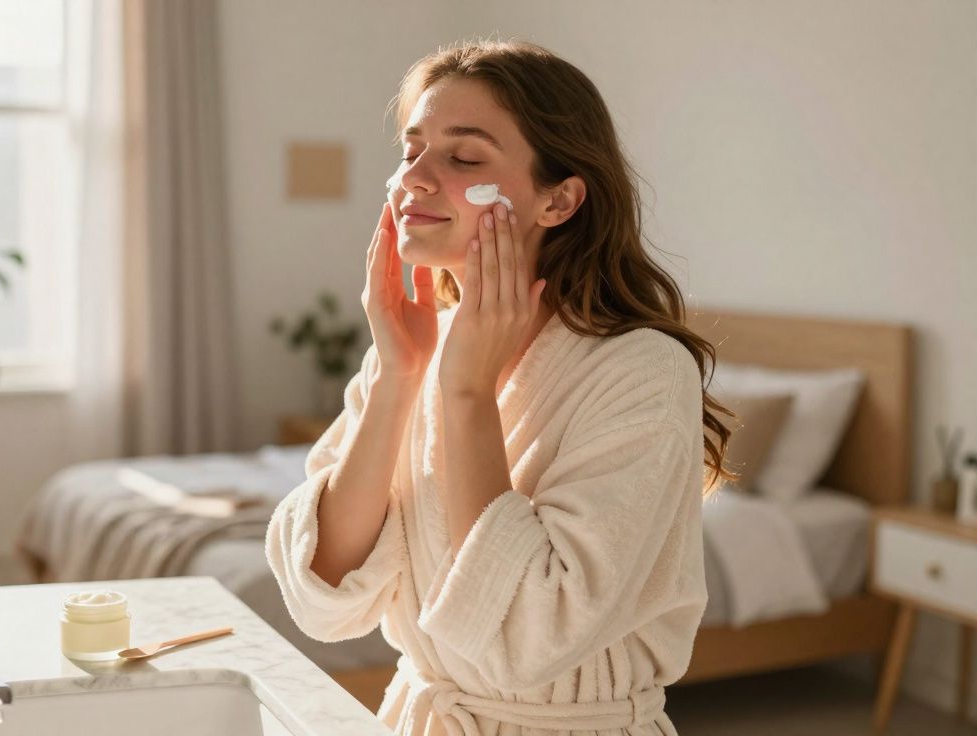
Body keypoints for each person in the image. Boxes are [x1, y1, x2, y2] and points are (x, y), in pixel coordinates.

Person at [265, 40, 736, 736]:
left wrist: (465, 393)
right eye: (411, 149)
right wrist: (399, 373)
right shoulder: (417, 346)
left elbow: (528, 636)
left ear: (559, 199)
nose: (413, 180)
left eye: (464, 157)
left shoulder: (641, 371)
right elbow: (323, 591)